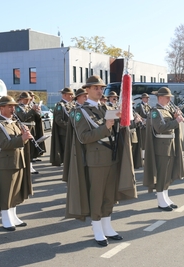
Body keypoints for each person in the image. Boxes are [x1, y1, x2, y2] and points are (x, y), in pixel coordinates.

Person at [62, 75, 137, 247]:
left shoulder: (106, 108)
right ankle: (96, 228)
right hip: (95, 160)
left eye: (101, 88)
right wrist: (106, 127)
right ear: (86, 90)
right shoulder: (80, 112)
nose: (99, 90)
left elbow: (114, 132)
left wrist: (121, 119)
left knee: (109, 195)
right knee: (97, 196)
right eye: (95, 87)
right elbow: (84, 137)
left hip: (111, 157)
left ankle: (107, 226)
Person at [0, 96, 33, 230]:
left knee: (15, 191)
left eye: (14, 106)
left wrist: (25, 137)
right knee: (7, 192)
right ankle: (6, 219)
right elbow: (4, 144)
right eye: (9, 106)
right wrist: (22, 138)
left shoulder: (14, 122)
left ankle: (13, 217)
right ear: (1, 108)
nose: (13, 109)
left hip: (17, 161)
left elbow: (18, 140)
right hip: (5, 165)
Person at [143, 87, 184, 211]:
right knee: (162, 174)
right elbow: (159, 128)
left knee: (168, 174)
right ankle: (161, 200)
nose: (169, 99)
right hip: (161, 147)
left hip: (170, 145)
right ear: (160, 97)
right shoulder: (156, 111)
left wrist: (175, 117)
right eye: (167, 97)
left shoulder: (167, 110)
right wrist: (176, 121)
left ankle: (166, 197)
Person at [15, 91, 41, 174]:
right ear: (21, 99)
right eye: (26, 99)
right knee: (27, 148)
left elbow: (36, 117)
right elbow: (24, 117)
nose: (28, 101)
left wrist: (37, 111)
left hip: (32, 128)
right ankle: (26, 166)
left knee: (32, 148)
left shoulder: (29, 107)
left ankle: (30, 166)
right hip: (25, 128)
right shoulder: (18, 108)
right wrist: (32, 110)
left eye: (29, 99)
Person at [50, 87, 75, 166]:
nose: (71, 96)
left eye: (72, 95)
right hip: (64, 133)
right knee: (66, 152)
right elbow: (58, 120)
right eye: (70, 95)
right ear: (64, 95)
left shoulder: (69, 104)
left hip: (69, 132)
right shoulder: (60, 105)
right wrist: (68, 127)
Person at [135, 93, 151, 159]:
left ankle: (146, 154)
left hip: (147, 124)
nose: (147, 99)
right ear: (142, 99)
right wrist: (142, 120)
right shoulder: (139, 105)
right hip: (142, 125)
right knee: (143, 140)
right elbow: (136, 114)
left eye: (147, 98)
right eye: (145, 98)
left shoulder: (148, 106)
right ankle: (143, 156)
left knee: (147, 140)